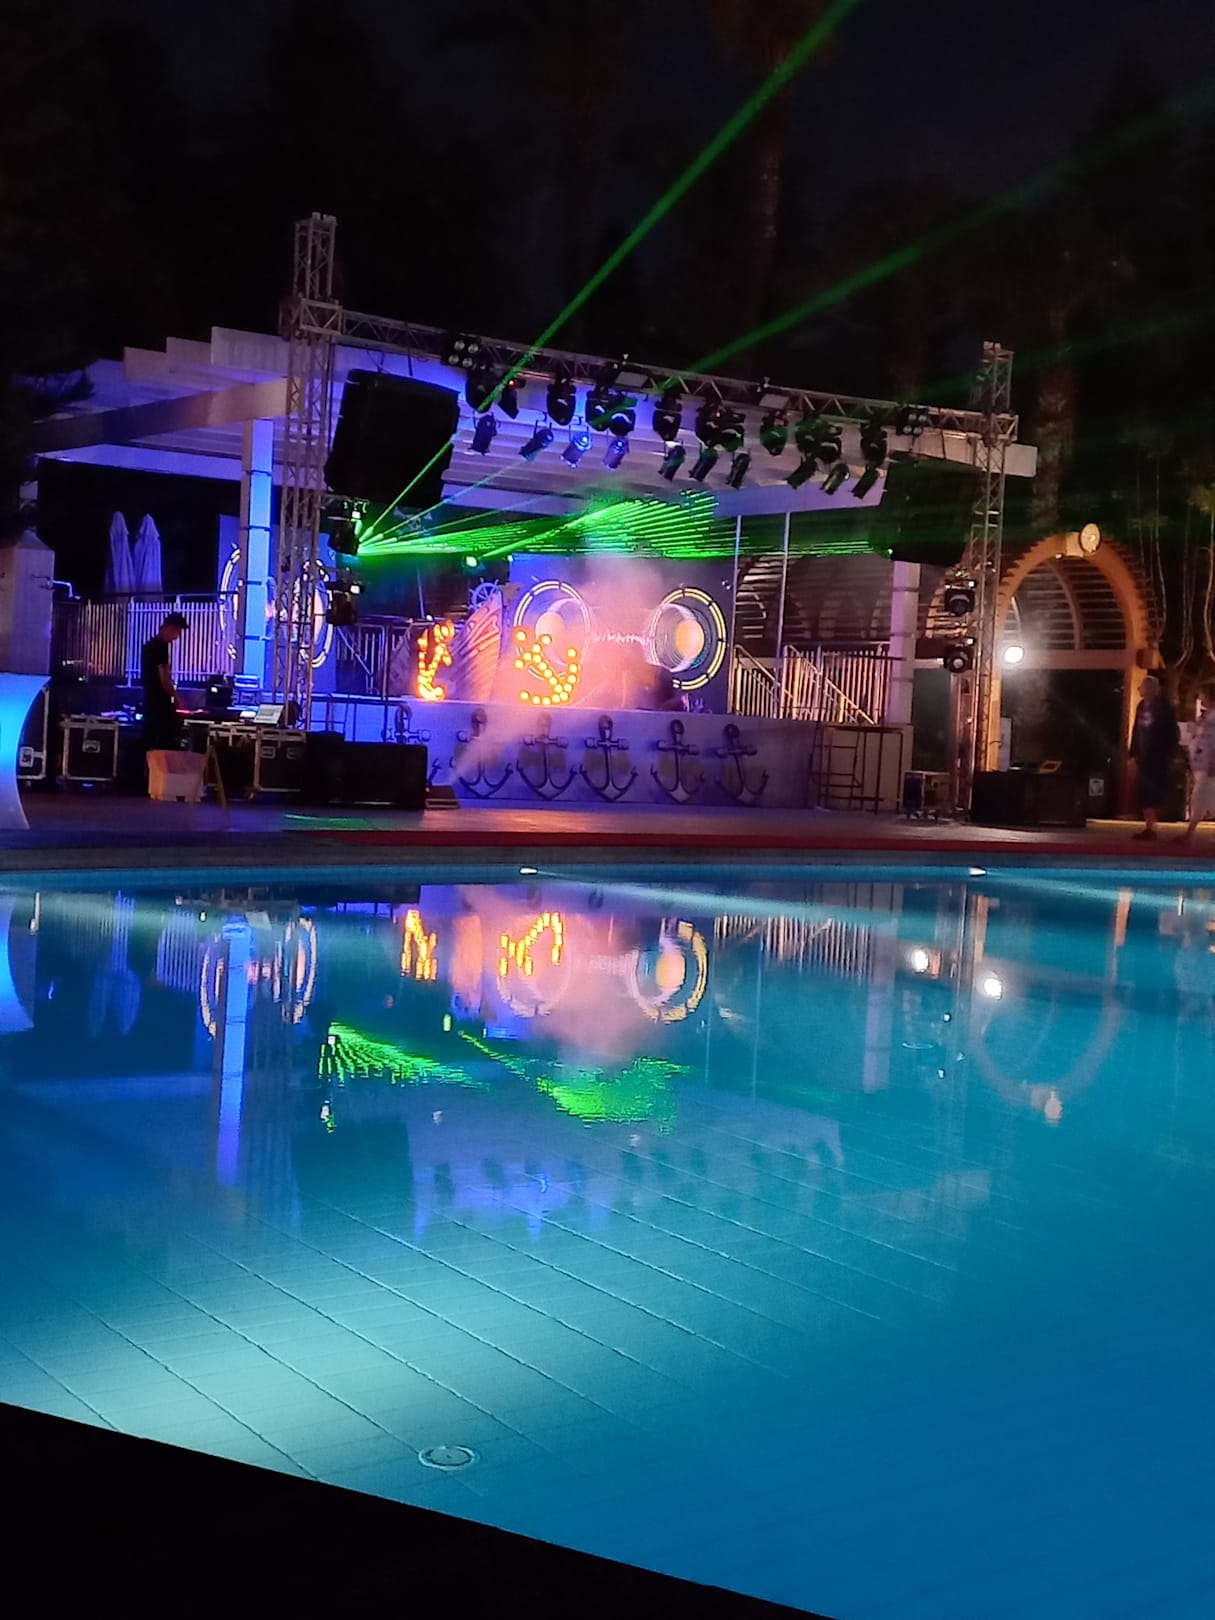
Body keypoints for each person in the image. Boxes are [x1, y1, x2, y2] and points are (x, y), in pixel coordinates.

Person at [1129, 673, 1179, 840]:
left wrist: (1169, 753)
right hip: (1143, 756)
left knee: (1153, 790)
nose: (1140, 689)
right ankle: (1150, 826)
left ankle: (1152, 826)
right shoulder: (1141, 706)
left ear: (1151, 689)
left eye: (1142, 686)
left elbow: (1172, 732)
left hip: (1158, 756)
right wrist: (1133, 752)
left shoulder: (1164, 707)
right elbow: (1137, 730)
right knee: (1144, 791)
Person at [140, 611, 188, 752]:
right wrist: (177, 699)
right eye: (177, 631)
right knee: (165, 740)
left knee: (148, 739)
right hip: (160, 704)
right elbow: (164, 679)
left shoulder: (149, 646)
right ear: (171, 628)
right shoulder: (160, 647)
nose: (177, 636)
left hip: (150, 700)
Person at [1177, 684, 1215, 844]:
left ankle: (1189, 834)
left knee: (1199, 796)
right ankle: (1189, 833)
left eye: (1203, 695)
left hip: (1209, 763)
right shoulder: (1204, 717)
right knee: (1208, 798)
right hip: (1200, 762)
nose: (1201, 698)